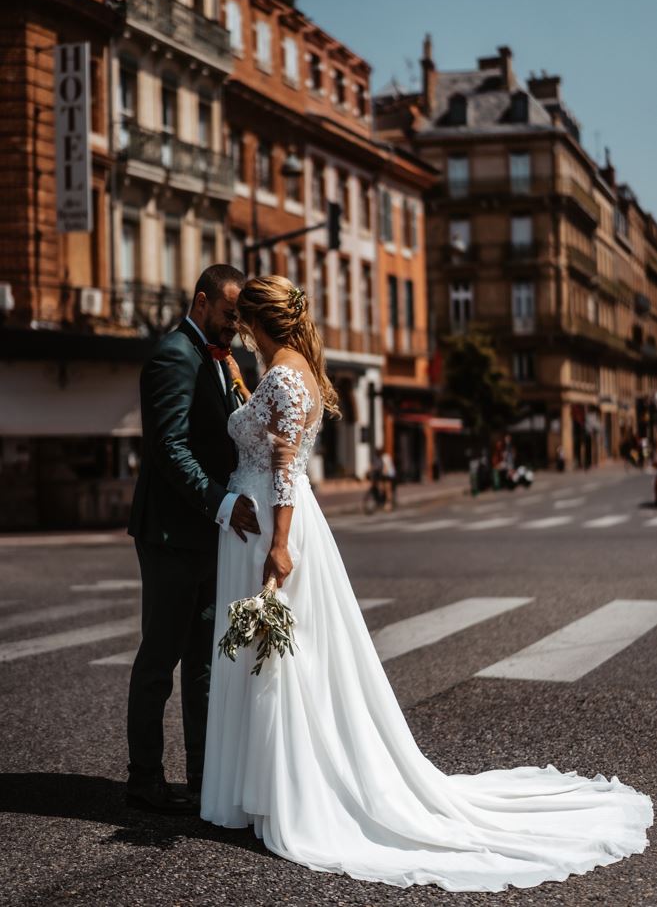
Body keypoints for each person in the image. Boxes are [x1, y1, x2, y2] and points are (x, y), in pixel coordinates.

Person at [201, 275, 652, 892]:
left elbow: (282, 465)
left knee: (282, 659)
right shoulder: (294, 368)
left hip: (271, 523)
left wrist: (279, 546)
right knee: (288, 657)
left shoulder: (281, 374)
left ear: (254, 321)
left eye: (240, 319)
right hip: (275, 517)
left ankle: (283, 791)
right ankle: (271, 786)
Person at [126, 264, 261, 815]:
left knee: (206, 663)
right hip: (170, 535)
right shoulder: (172, 356)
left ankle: (205, 776)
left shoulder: (225, 360)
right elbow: (169, 448)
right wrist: (223, 503)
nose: (235, 327)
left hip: (211, 537)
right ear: (202, 302)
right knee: (159, 661)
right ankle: (144, 778)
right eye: (230, 315)